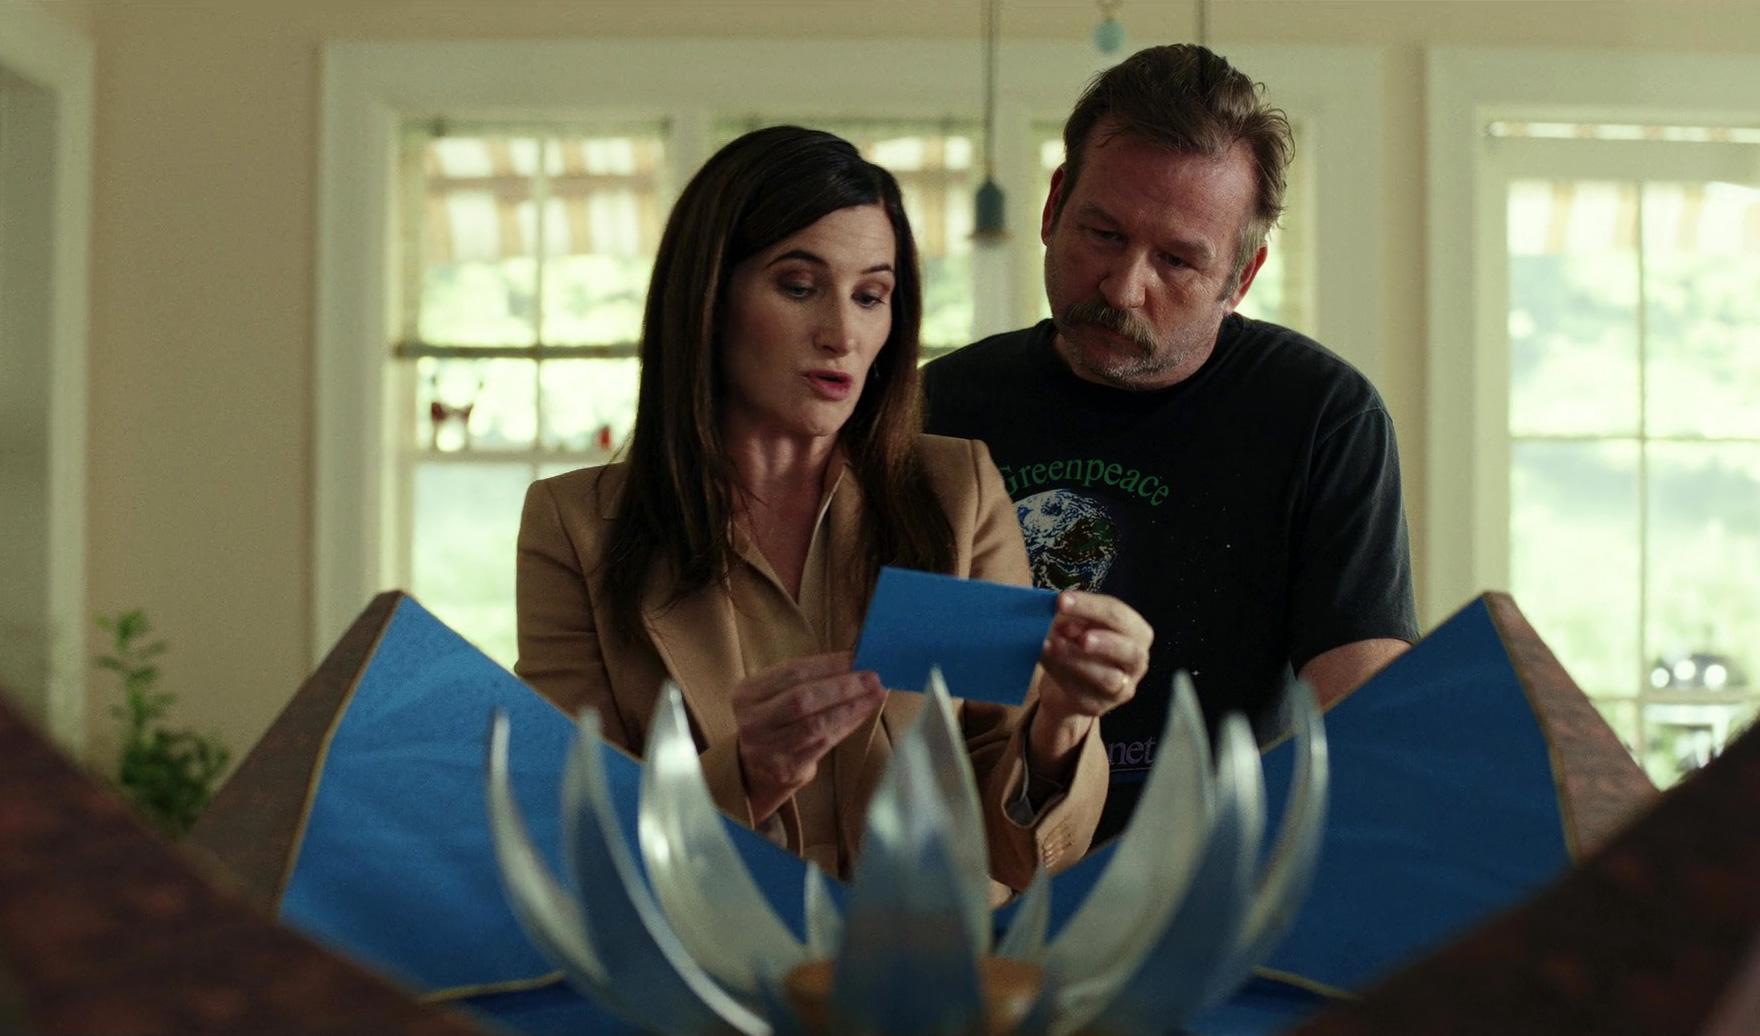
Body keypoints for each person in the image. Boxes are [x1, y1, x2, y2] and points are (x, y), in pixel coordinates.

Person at [515, 126, 1150, 890]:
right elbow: (572, 833)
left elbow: (1017, 855)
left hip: (933, 958)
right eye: (798, 286)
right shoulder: (574, 527)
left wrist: (1065, 720)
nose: (843, 334)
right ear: (709, 297)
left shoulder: (960, 494)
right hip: (704, 955)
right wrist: (744, 776)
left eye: (870, 296)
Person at [924, 45, 1417, 842]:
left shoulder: (1322, 417)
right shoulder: (937, 409)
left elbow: (1365, 724)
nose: (1123, 288)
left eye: (1178, 260)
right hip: (984, 861)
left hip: (1229, 866)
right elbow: (908, 706)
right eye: (1102, 234)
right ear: (1053, 207)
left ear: (1241, 278)